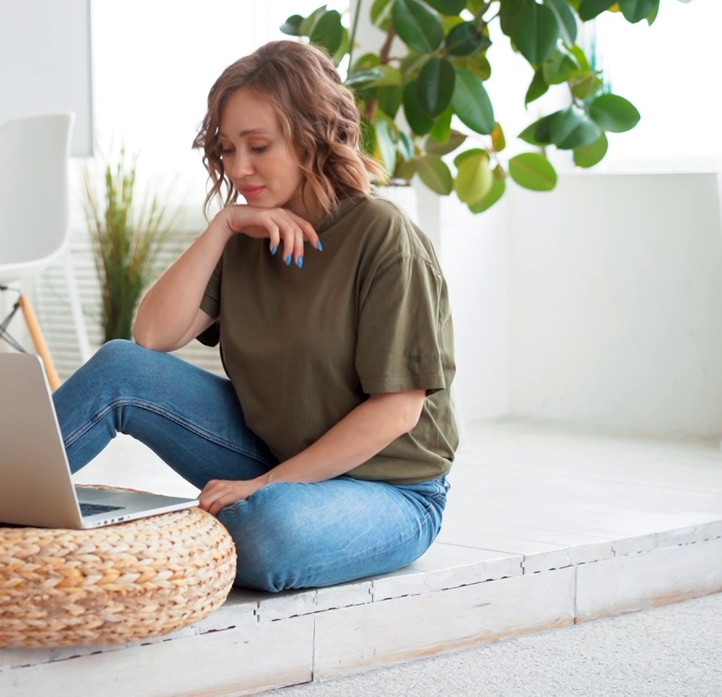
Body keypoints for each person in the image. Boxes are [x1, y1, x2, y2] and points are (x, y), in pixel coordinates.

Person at [52, 40, 457, 593]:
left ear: (313, 136)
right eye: (226, 149)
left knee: (269, 533)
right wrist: (222, 226)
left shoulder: (383, 236)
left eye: (259, 146)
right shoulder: (249, 231)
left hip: (390, 489)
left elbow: (397, 411)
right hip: (271, 449)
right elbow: (151, 337)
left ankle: (177, 531)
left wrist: (266, 485)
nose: (239, 168)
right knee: (122, 368)